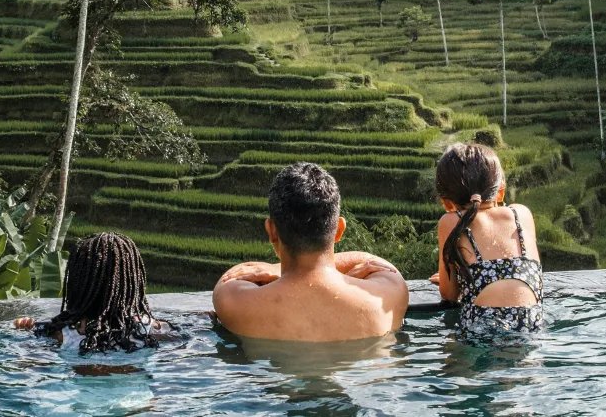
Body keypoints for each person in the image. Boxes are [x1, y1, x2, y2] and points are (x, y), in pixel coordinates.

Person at [212, 162, 410, 342]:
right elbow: (370, 260)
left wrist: (277, 270)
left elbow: (241, 272)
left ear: (271, 231)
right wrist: (337, 274)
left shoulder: (233, 300)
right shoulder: (389, 292)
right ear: (339, 229)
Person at [431, 142, 543, 336]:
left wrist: (453, 278)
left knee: (451, 359)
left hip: (481, 332)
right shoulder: (522, 214)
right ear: (500, 191)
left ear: (447, 203)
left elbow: (449, 295)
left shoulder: (450, 221)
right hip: (531, 329)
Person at [14, 232, 175, 353]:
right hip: (138, 395)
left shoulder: (62, 335)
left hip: (77, 396)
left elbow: (31, 363)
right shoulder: (150, 329)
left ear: (77, 283)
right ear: (132, 283)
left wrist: (28, 327)